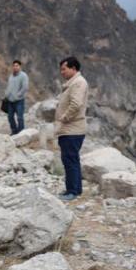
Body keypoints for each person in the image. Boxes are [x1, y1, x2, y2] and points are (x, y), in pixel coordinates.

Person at [55, 56, 89, 201]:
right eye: (61, 69)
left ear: (73, 69)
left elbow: (76, 104)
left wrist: (64, 117)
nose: (62, 72)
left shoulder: (78, 83)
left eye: (64, 69)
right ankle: (73, 188)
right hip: (69, 129)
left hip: (72, 128)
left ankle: (73, 191)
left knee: (70, 159)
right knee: (70, 159)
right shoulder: (72, 83)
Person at [5, 59, 29, 135]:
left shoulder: (23, 75)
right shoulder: (11, 76)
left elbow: (25, 87)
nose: (15, 67)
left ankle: (21, 132)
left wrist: (18, 95)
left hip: (19, 100)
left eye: (17, 65)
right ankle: (14, 131)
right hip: (10, 100)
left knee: (19, 117)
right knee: (10, 117)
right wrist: (6, 95)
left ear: (20, 66)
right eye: (14, 66)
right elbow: (9, 86)